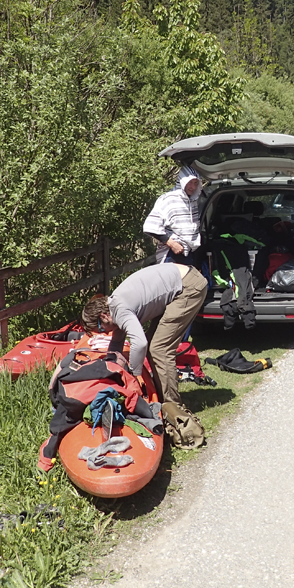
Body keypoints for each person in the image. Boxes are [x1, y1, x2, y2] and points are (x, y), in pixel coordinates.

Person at [80, 261, 207, 407]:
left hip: (188, 286)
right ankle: (161, 397)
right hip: (180, 283)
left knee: (159, 348)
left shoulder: (120, 310)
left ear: (103, 316)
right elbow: (116, 343)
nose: (106, 333)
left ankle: (172, 406)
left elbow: (140, 344)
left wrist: (135, 374)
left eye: (101, 329)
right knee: (154, 345)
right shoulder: (114, 305)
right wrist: (111, 367)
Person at [143, 166, 202, 264]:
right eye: (190, 182)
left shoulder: (193, 201)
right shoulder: (168, 199)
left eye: (196, 183)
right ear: (182, 181)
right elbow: (150, 226)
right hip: (171, 253)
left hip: (189, 252)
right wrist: (172, 244)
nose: (193, 187)